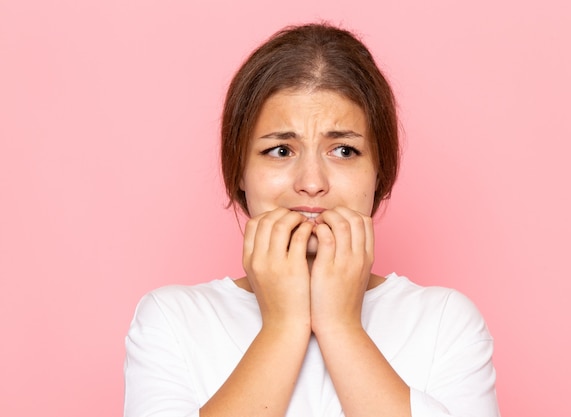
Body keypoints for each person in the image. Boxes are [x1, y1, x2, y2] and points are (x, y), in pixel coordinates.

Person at [124, 23, 500, 417]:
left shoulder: (445, 322)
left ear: (379, 171)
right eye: (281, 150)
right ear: (239, 169)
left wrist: (341, 326)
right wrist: (283, 326)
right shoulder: (171, 320)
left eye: (343, 150)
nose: (312, 183)